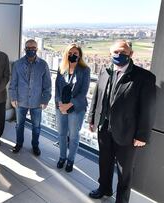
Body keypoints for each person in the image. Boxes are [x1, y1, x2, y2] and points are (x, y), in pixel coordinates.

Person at [88, 40, 156, 203]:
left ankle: (122, 200)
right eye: (115, 52)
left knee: (124, 171)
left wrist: (142, 135)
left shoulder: (144, 77)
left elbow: (148, 110)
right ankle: (104, 189)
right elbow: (97, 97)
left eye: (123, 52)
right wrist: (92, 118)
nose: (119, 55)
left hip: (127, 132)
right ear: (110, 54)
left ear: (131, 54)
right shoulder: (105, 72)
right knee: (104, 162)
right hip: (104, 128)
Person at [9, 39, 52, 156]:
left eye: (33, 48)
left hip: (37, 102)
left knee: (36, 126)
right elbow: (13, 83)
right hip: (20, 101)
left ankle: (35, 145)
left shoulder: (43, 65)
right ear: (25, 49)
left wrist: (45, 100)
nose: (31, 50)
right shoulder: (17, 64)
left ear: (37, 49)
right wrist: (13, 98)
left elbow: (47, 85)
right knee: (19, 125)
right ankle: (19, 144)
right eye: (28, 48)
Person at [55, 43, 90, 172]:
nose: (72, 55)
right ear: (66, 54)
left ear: (80, 55)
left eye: (75, 53)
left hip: (76, 107)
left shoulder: (85, 70)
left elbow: (83, 92)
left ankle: (70, 160)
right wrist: (60, 104)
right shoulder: (61, 68)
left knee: (74, 136)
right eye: (70, 53)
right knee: (62, 134)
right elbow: (57, 89)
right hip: (61, 107)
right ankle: (62, 157)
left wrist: (69, 104)